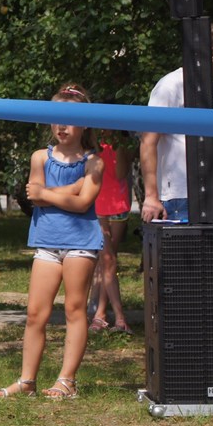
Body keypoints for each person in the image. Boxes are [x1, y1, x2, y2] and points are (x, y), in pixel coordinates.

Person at [0, 84, 104, 400]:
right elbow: (34, 197)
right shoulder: (40, 156)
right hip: (47, 242)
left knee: (74, 308)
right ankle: (27, 381)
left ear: (85, 123)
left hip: (81, 242)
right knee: (36, 313)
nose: (61, 126)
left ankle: (66, 381)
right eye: (56, 118)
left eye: (69, 119)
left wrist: (50, 195)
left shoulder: (95, 162)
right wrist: (72, 189)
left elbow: (83, 205)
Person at [140, 25, 213, 223]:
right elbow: (148, 141)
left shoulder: (211, 87)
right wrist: (151, 197)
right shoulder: (172, 84)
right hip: (181, 196)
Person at [88, 132, 134, 334]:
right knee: (106, 258)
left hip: (118, 207)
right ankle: (113, 315)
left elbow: (121, 173)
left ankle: (100, 312)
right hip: (96, 207)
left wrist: (120, 146)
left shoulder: (122, 144)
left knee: (107, 260)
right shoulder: (89, 142)